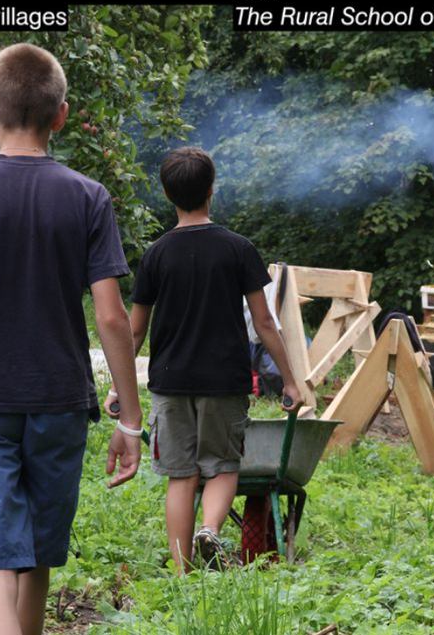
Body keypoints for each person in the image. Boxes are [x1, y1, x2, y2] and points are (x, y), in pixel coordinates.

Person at [0, 42, 143, 635]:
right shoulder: (89, 197)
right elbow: (113, 319)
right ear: (61, 116)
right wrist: (131, 419)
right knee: (37, 551)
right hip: (60, 399)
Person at [104, 146, 302, 573]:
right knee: (224, 466)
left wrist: (118, 388)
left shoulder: (156, 255)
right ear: (212, 189)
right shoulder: (239, 249)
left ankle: (182, 572)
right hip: (224, 381)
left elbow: (134, 331)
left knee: (181, 475)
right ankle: (209, 529)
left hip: (170, 384)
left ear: (167, 193)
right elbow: (265, 322)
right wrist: (290, 380)